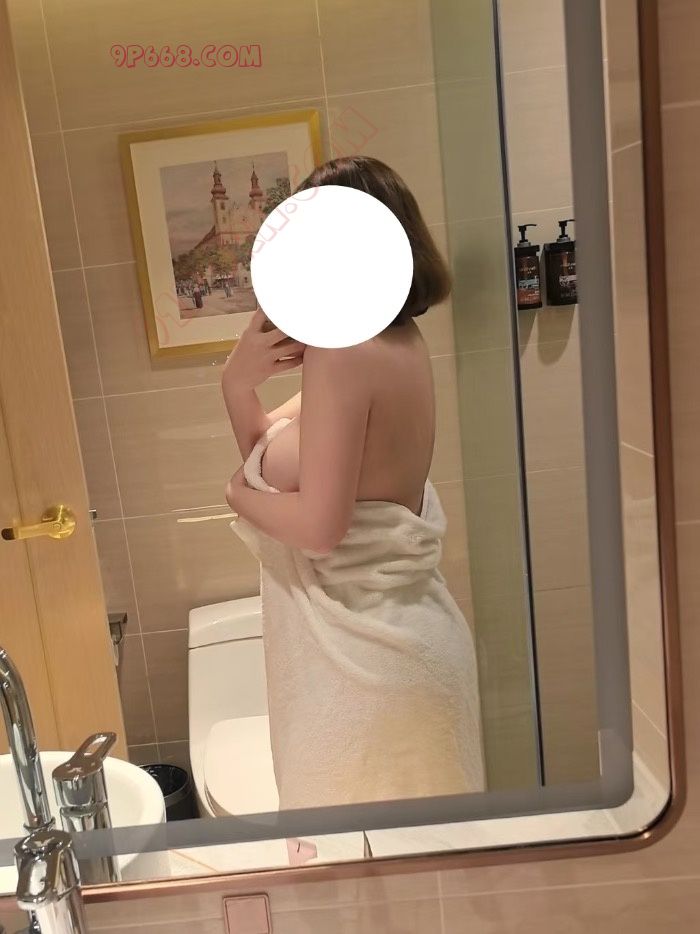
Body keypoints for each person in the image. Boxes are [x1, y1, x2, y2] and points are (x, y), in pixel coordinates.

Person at [222, 155, 485, 809]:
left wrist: (234, 497)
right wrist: (236, 383)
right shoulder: (395, 339)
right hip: (400, 646)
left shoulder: (344, 352)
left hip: (373, 665)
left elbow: (317, 526)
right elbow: (271, 456)